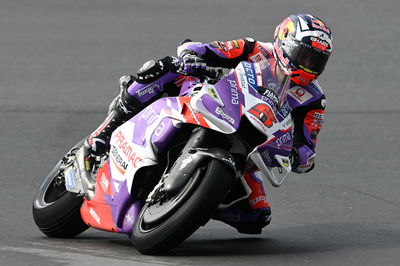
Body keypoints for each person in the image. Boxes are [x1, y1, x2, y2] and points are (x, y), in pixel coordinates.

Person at [84, 13, 333, 234]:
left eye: (316, 60)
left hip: (247, 146)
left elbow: (307, 142)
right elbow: (203, 49)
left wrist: (300, 157)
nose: (309, 65)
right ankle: (104, 133)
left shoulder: (314, 98)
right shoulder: (255, 50)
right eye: (304, 55)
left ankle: (194, 200)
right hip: (212, 102)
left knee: (255, 217)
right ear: (284, 42)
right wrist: (193, 56)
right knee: (170, 67)